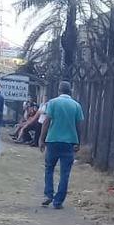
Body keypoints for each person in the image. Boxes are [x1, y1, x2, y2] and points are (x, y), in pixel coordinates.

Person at [39, 81, 85, 209]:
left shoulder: (52, 103)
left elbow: (46, 122)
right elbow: (79, 125)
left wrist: (42, 139)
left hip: (53, 140)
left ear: (59, 90)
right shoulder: (76, 105)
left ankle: (48, 194)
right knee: (65, 173)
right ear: (70, 91)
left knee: (49, 168)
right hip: (69, 142)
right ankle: (58, 201)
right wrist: (78, 142)